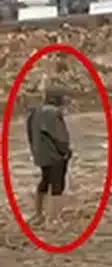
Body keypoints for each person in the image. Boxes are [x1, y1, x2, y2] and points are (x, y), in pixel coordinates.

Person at [27, 87, 73, 226]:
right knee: (57, 184)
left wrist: (35, 151)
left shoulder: (35, 111)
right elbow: (60, 137)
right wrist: (65, 152)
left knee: (44, 181)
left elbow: (30, 133)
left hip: (40, 154)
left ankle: (39, 215)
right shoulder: (53, 113)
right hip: (55, 155)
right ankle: (53, 219)